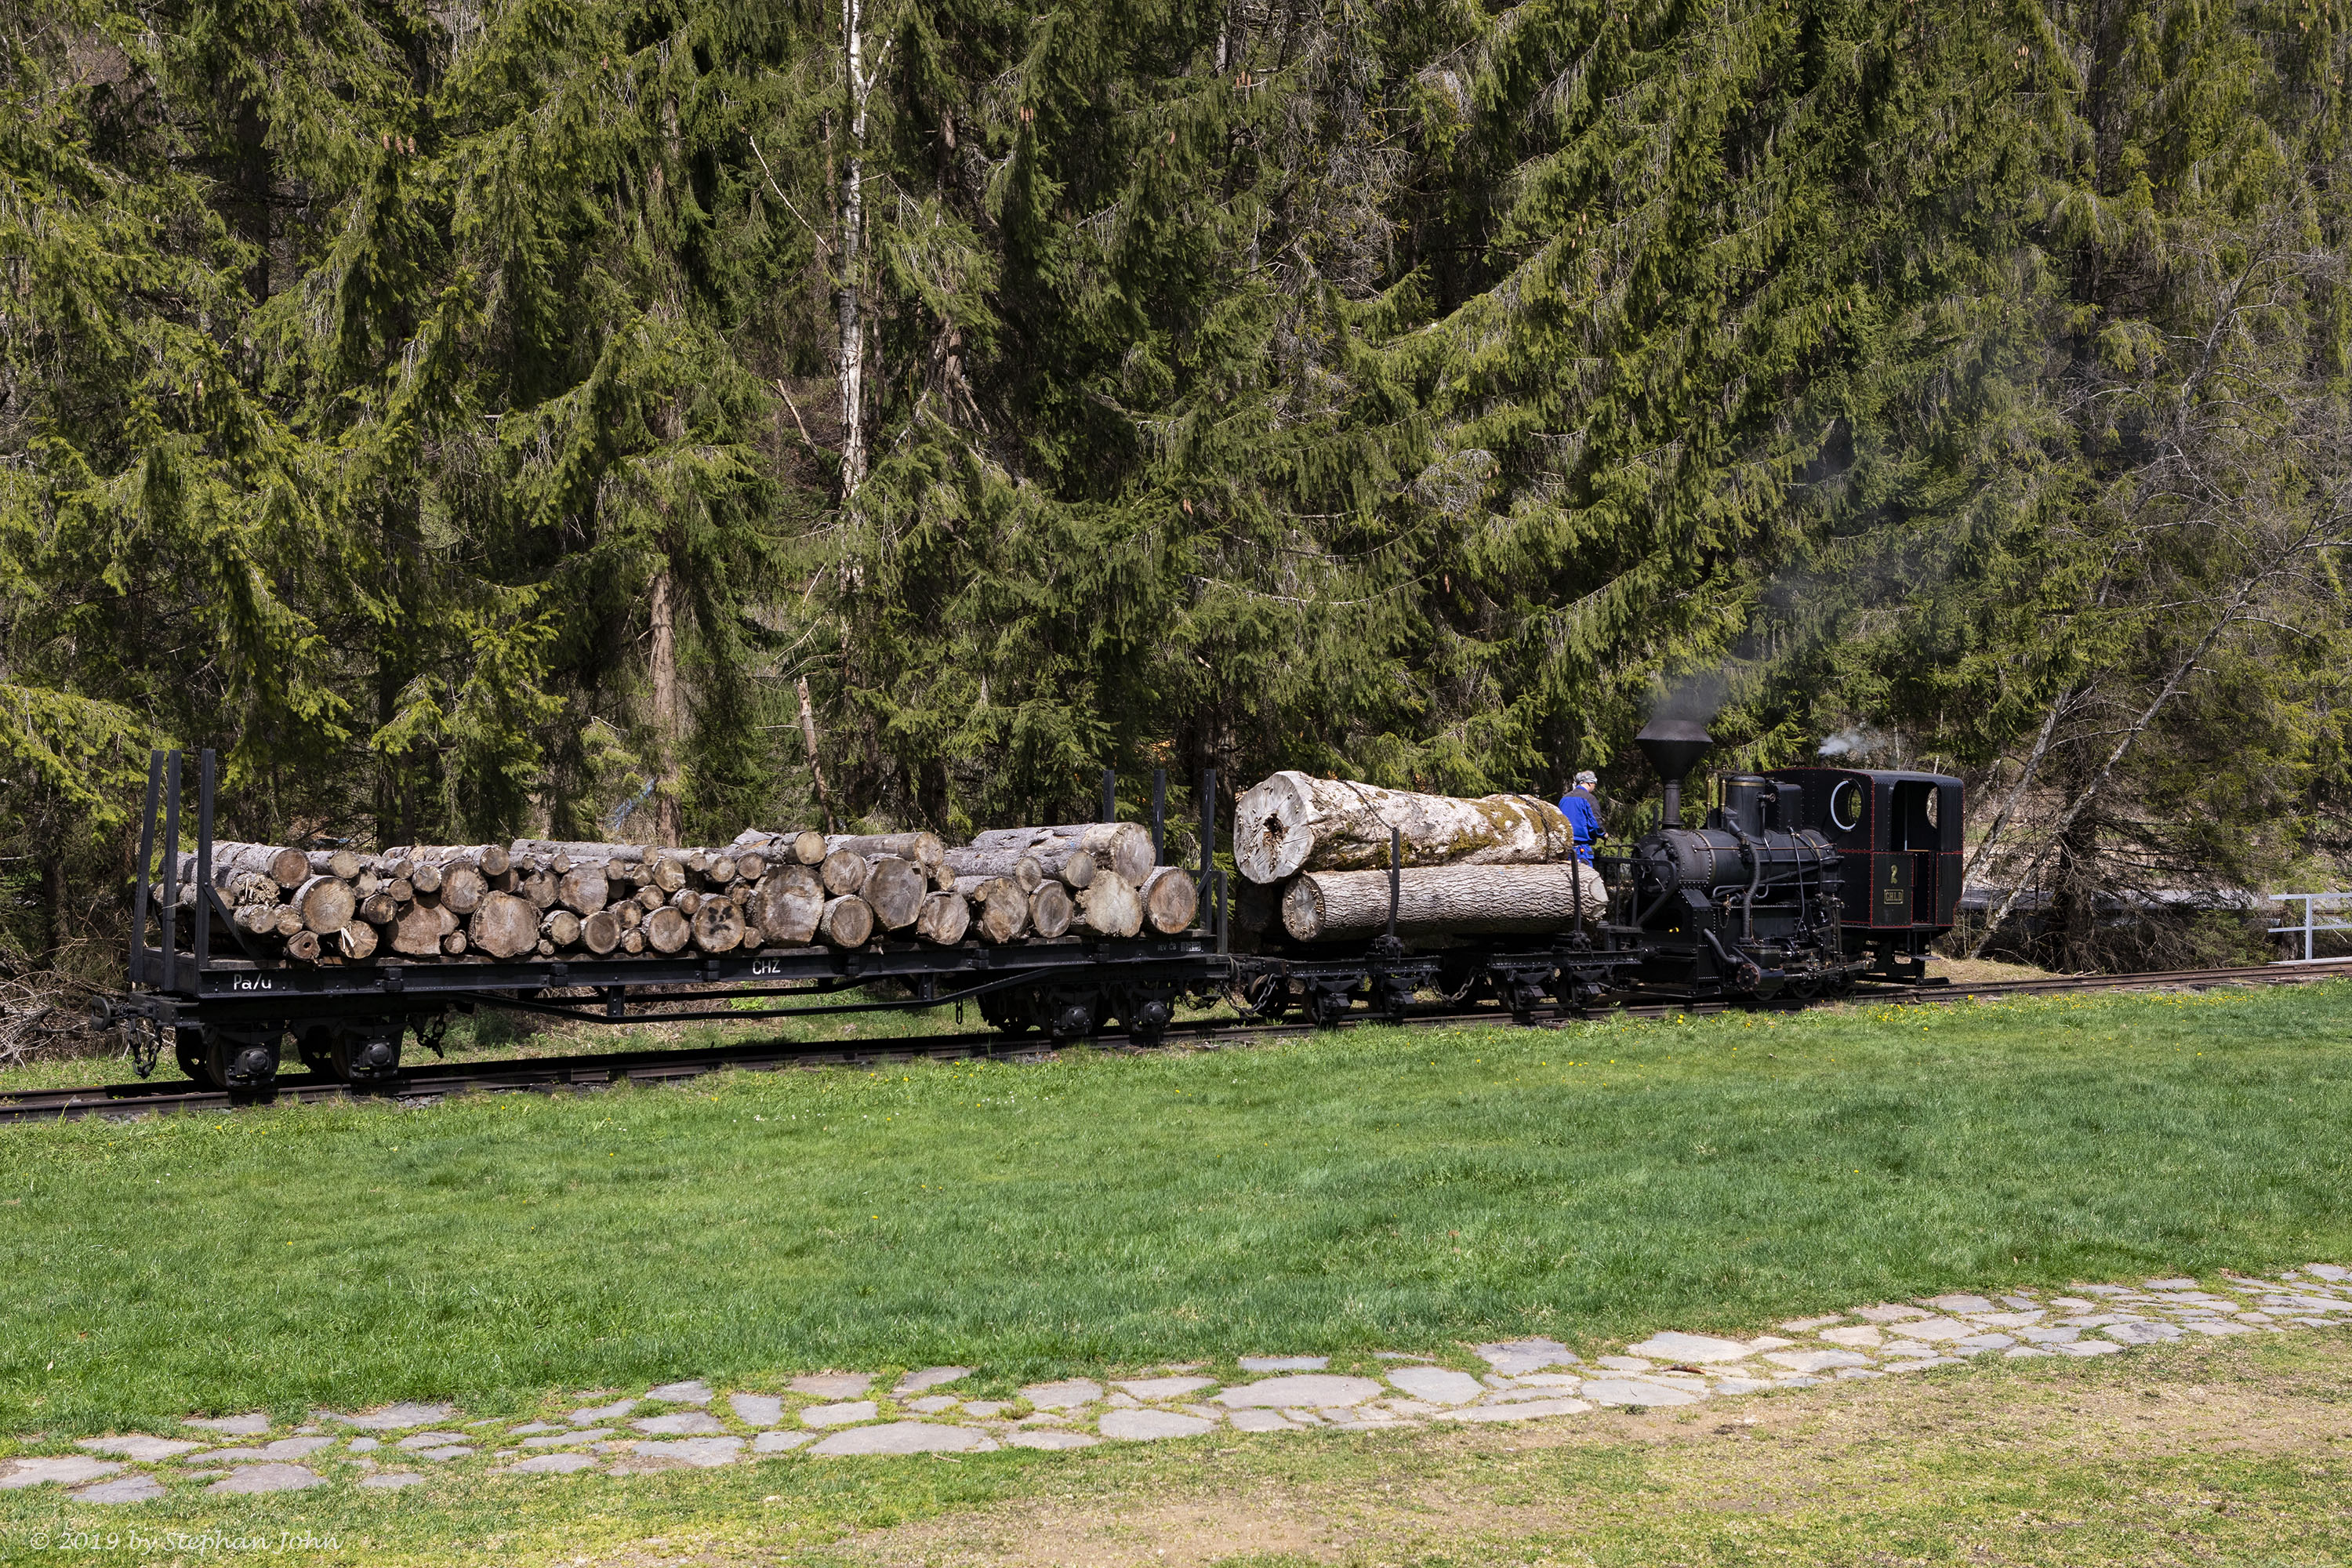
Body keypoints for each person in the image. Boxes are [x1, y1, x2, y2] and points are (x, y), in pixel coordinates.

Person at [1559, 770, 1604, 863]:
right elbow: (1595, 824)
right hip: (1581, 848)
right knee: (1584, 876)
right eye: (1594, 784)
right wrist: (1603, 834)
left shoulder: (1564, 799)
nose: (1594, 787)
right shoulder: (1589, 798)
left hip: (1564, 847)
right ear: (1589, 783)